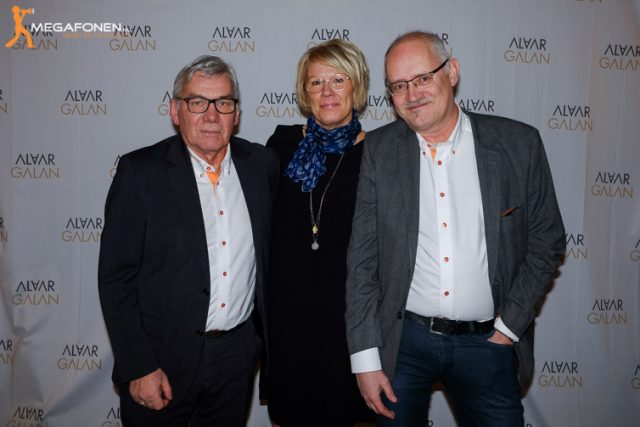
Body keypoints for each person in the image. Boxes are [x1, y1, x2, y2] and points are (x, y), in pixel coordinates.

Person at [345, 31, 565, 426]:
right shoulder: (379, 150)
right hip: (404, 343)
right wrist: (365, 360)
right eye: (399, 85)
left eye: (422, 78)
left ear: (452, 73)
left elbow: (547, 240)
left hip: (488, 344)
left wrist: (508, 327)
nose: (412, 94)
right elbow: (362, 260)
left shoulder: (518, 144)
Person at [98, 55, 279, 426]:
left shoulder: (262, 165)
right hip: (161, 361)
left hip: (236, 359)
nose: (211, 115)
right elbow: (116, 279)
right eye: (197, 102)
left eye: (223, 103)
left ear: (236, 113)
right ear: (175, 111)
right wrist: (139, 366)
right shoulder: (140, 173)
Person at [265, 39, 373, 427]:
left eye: (338, 80)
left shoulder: (379, 154)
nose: (327, 91)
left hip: (349, 321)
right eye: (316, 82)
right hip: (289, 319)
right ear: (304, 92)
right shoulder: (280, 146)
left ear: (357, 87)